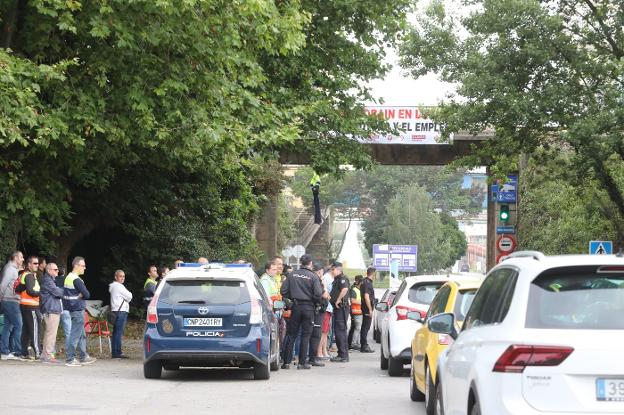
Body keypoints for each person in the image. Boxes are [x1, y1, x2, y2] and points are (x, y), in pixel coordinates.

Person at [280, 254, 322, 370]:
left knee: (291, 334)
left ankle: (286, 362)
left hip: (296, 306)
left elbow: (283, 290)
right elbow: (318, 294)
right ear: (310, 263)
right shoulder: (313, 276)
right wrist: (315, 302)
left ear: (300, 262)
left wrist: (292, 298)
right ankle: (302, 363)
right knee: (305, 335)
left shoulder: (292, 274)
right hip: (309, 308)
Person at [63, 256, 96, 367]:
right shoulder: (76, 279)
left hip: (72, 308)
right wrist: (81, 294)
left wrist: (80, 294)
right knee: (75, 334)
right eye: (82, 265)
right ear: (76, 265)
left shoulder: (68, 277)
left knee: (81, 334)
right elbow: (87, 294)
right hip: (77, 309)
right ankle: (70, 359)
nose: (85, 268)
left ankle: (83, 356)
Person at [15, 255, 42, 360]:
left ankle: (24, 352)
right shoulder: (29, 275)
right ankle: (38, 353)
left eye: (38, 263)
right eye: (35, 263)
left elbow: (19, 288)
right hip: (31, 307)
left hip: (24, 305)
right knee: (35, 330)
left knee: (26, 330)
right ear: (29, 264)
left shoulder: (25, 274)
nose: (37, 265)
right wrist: (40, 293)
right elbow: (31, 291)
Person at [0, 251, 24, 360]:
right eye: (21, 257)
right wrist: (1, 297)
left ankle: (5, 352)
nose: (23, 259)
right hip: (10, 301)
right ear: (15, 258)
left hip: (9, 300)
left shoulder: (12, 269)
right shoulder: (10, 269)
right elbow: (3, 284)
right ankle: (18, 351)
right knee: (19, 325)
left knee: (7, 326)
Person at [39, 262, 64, 363]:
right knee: (51, 333)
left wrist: (59, 290)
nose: (57, 271)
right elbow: (58, 292)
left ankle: (44, 354)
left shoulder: (50, 280)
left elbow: (57, 292)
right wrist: (61, 290)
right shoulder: (47, 280)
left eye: (57, 269)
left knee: (48, 333)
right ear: (49, 270)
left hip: (50, 309)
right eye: (55, 270)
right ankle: (48, 356)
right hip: (51, 309)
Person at [307, 263, 328, 367]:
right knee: (315, 334)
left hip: (315, 309)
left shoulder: (312, 278)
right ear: (319, 272)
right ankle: (312, 358)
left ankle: (310, 357)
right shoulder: (316, 280)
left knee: (312, 334)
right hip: (317, 310)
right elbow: (324, 294)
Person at [109, 270, 132, 359]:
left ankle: (115, 352)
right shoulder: (119, 286)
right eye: (120, 276)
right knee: (118, 332)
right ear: (116, 277)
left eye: (123, 276)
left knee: (115, 332)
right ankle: (118, 353)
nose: (122, 278)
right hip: (121, 311)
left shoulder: (113, 286)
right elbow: (130, 296)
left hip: (115, 310)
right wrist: (128, 295)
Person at [329, 262, 350, 363]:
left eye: (333, 270)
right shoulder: (337, 279)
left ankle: (343, 355)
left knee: (340, 332)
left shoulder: (342, 278)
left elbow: (345, 289)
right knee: (340, 331)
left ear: (338, 270)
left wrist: (338, 300)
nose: (332, 272)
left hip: (341, 307)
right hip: (338, 308)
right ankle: (342, 354)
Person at [360, 267, 377, 353]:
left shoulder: (364, 281)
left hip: (365, 306)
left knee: (364, 326)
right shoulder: (367, 283)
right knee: (366, 327)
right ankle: (364, 346)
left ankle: (363, 345)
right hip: (367, 307)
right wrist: (370, 309)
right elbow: (367, 297)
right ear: (373, 274)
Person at [348, 275, 364, 350]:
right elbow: (353, 300)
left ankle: (356, 343)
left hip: (360, 311)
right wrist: (362, 302)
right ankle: (354, 343)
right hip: (356, 311)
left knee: (358, 328)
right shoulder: (354, 290)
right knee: (358, 328)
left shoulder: (360, 290)